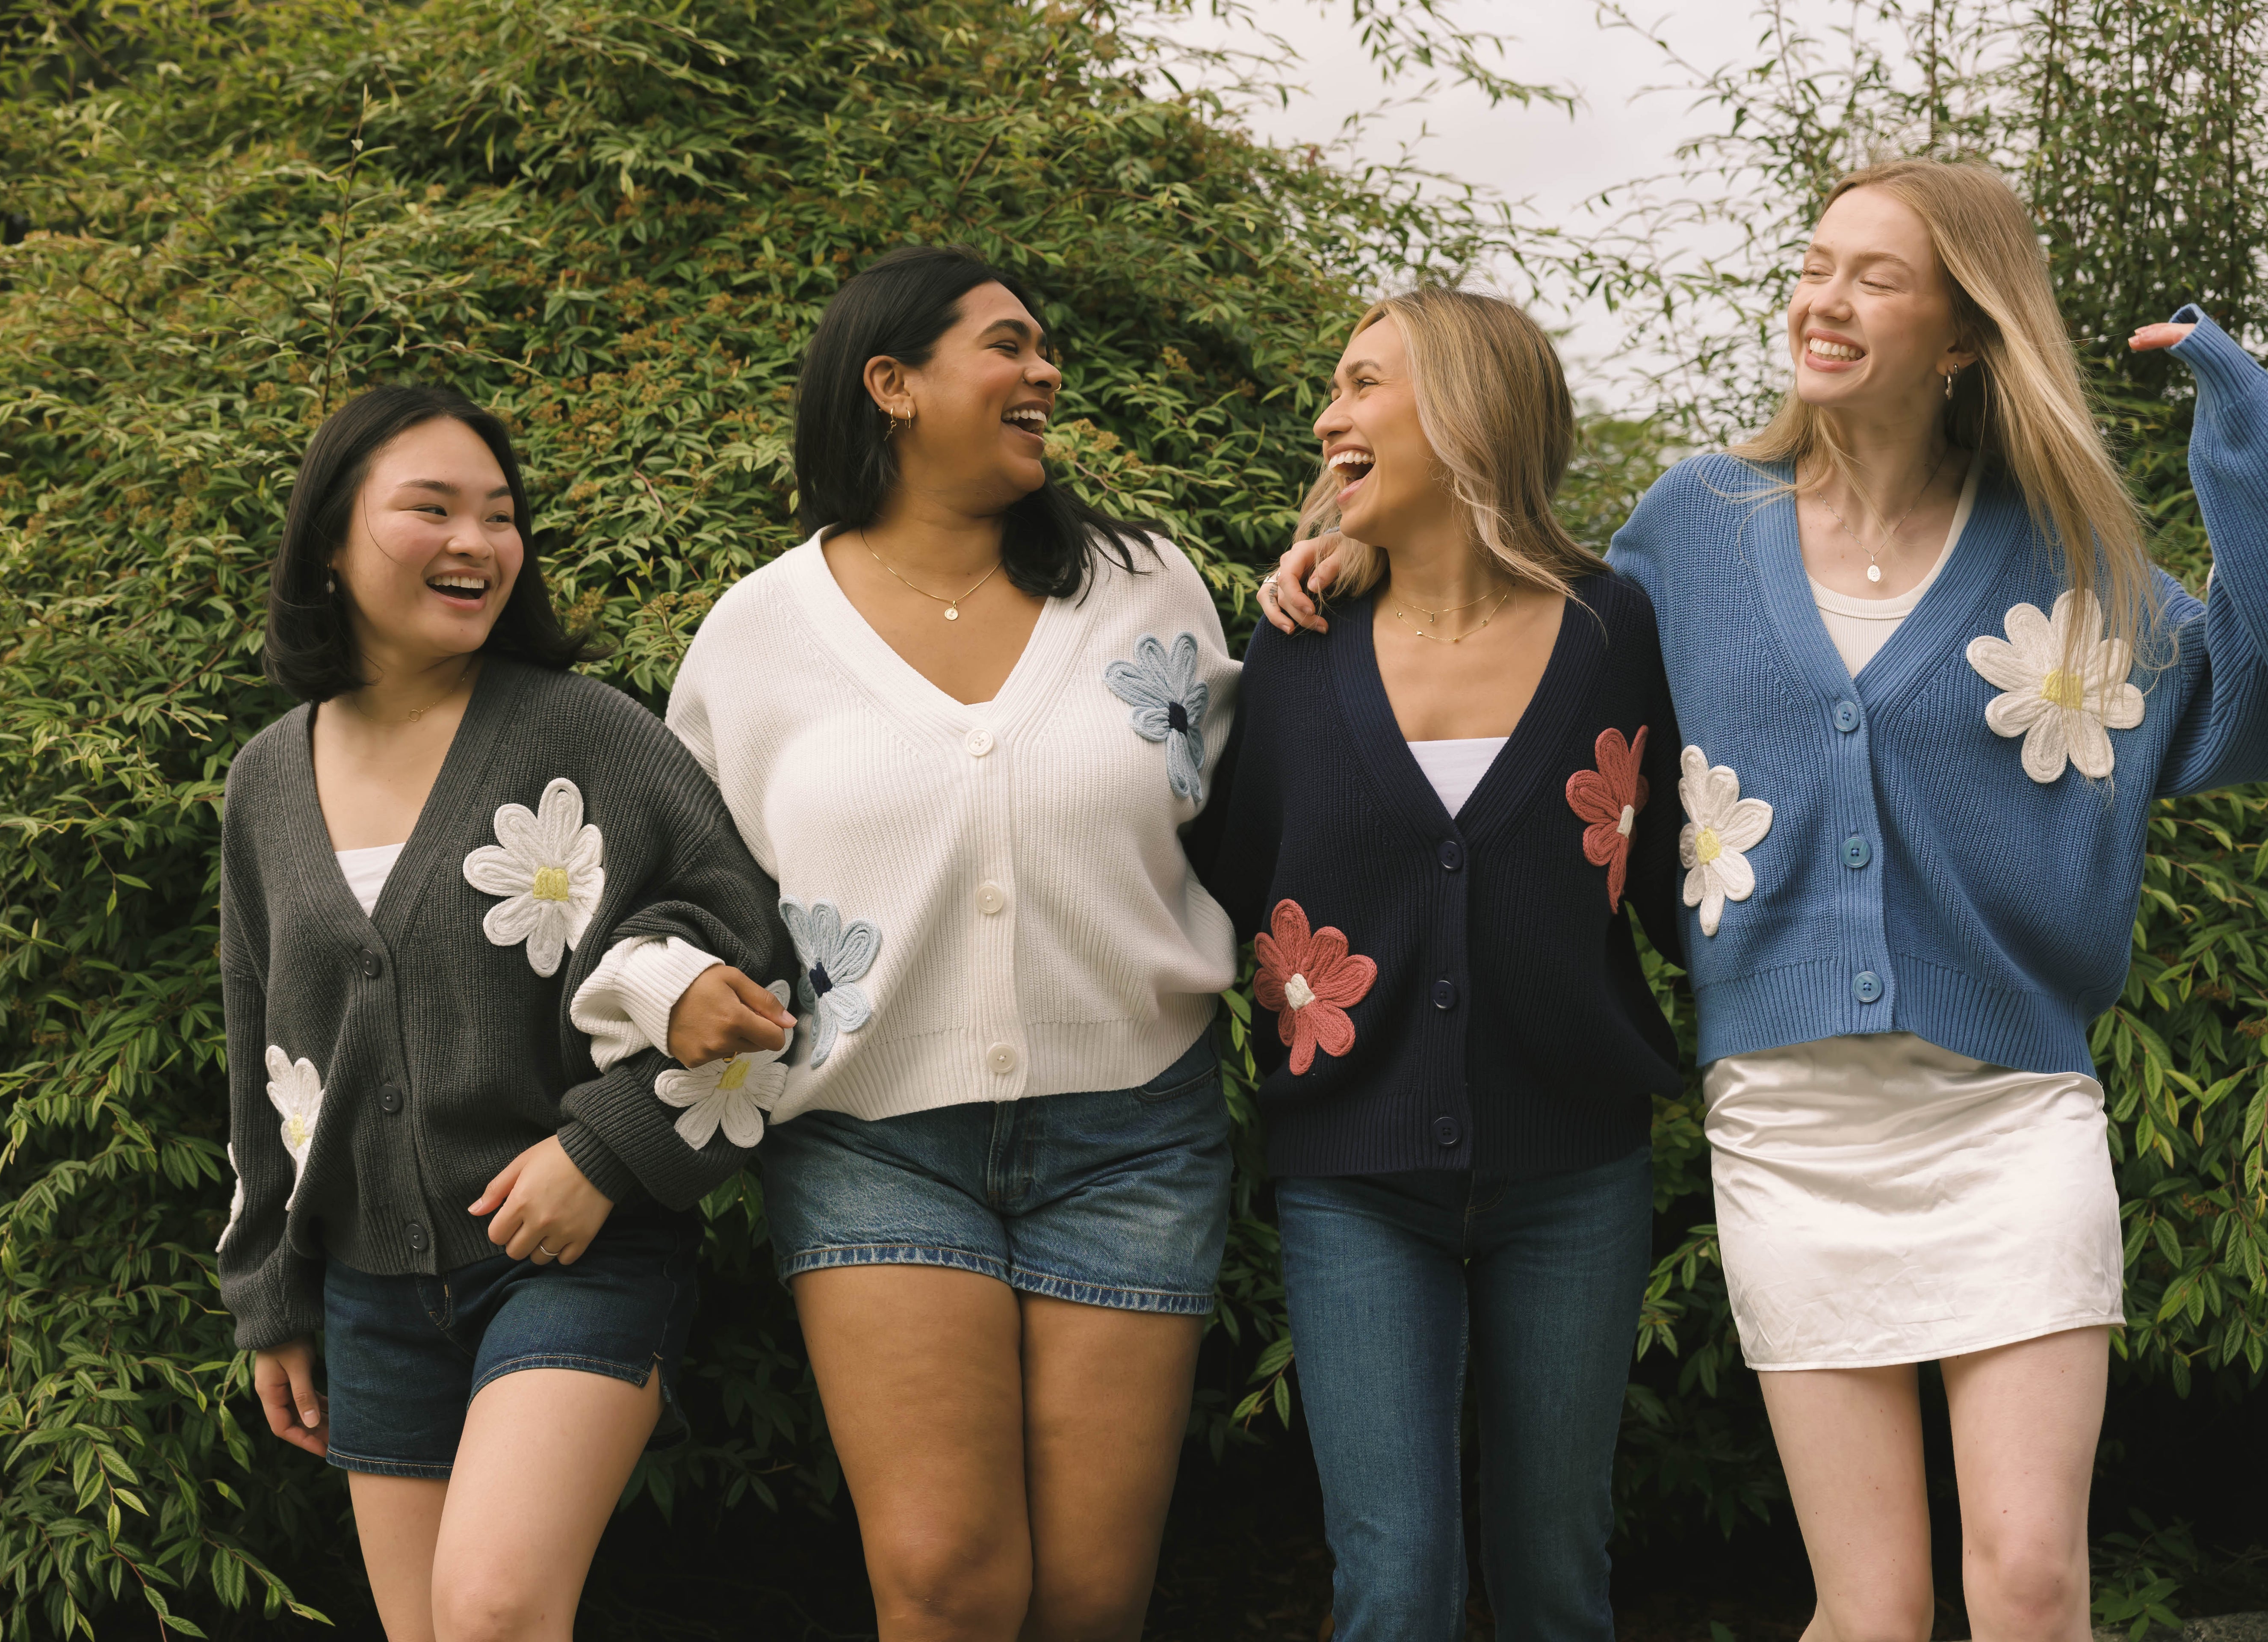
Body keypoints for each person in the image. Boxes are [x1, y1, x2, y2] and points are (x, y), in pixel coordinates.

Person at [1259, 158, 2268, 1642]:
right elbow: (1546, 637)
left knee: (2035, 1584)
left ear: (1968, 336)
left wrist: (2243, 440)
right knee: (1869, 1612)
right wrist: (1372, 548)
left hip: (2011, 1114)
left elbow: (2240, 715)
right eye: (1814, 264)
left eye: (1876, 276)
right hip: (1791, 1129)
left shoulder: (2067, 555)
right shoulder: (1697, 523)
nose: (1824, 297)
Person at [663, 245, 1240, 1642]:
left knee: (1094, 1602)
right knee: (943, 1583)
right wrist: (671, 987)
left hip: (1135, 1134)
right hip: (872, 1141)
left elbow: (1261, 810)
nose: (1044, 373)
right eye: (1008, 345)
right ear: (893, 384)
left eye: (1046, 351)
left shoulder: (1145, 587)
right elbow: (687, 887)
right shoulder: (757, 634)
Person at [218, 385, 797, 1642]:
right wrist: (271, 1293)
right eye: (431, 509)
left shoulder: (584, 734)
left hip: (574, 1258)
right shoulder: (266, 781)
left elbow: (758, 976)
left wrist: (605, 1150)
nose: (476, 542)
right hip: (369, 1289)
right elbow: (262, 1062)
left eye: (499, 514)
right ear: (330, 538)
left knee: (489, 1613)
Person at [1190, 286, 1681, 1642]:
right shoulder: (1295, 652)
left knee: (1555, 1585)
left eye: (1361, 385)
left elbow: (1678, 874)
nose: (1326, 414)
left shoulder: (1612, 635)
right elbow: (1235, 879)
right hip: (1356, 1177)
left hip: (1574, 1173)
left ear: (1466, 411)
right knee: (1394, 1592)